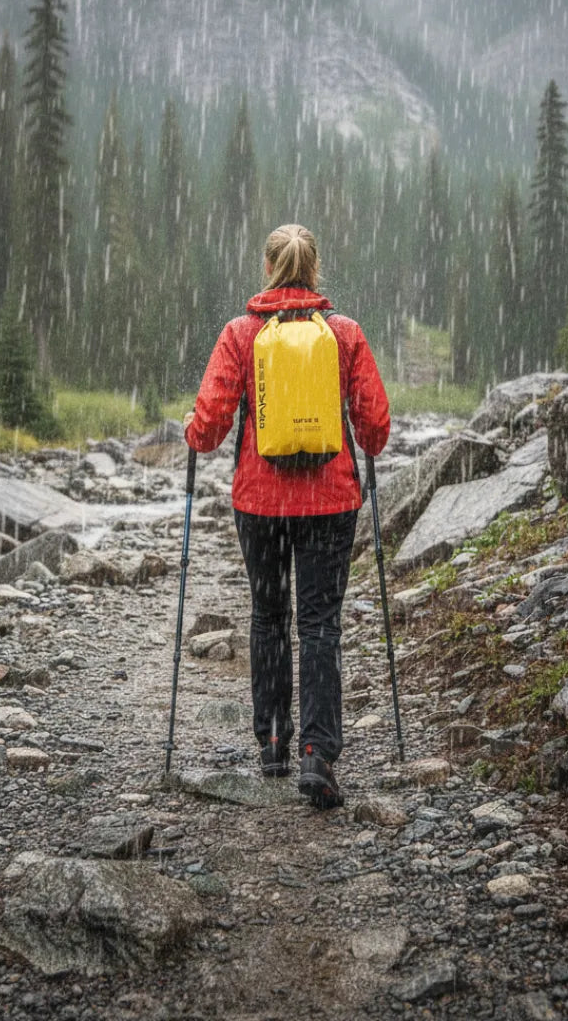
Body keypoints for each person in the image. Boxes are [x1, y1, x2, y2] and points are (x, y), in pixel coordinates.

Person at [184, 224, 390, 808]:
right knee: (320, 624)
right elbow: (374, 425)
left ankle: (273, 741)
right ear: (315, 269)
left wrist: (190, 432)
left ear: (268, 267)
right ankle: (318, 757)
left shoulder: (242, 333)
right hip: (331, 501)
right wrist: (362, 444)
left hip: (260, 501)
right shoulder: (344, 334)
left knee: (269, 617)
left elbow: (209, 427)